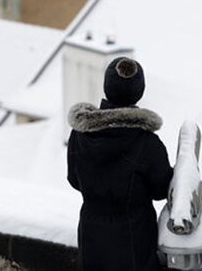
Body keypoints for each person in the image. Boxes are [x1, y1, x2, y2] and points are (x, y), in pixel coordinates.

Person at [67, 56, 173, 271]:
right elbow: (163, 189)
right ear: (139, 91)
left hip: (91, 239)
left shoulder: (80, 134)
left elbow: (74, 179)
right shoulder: (146, 142)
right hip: (133, 242)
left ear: (106, 87)